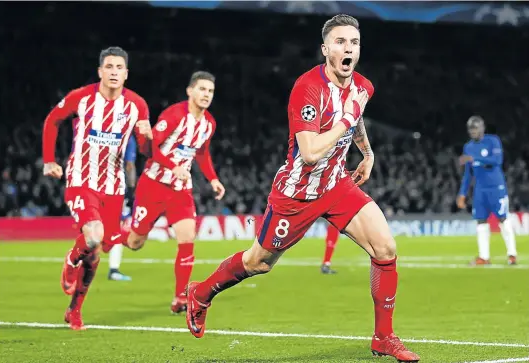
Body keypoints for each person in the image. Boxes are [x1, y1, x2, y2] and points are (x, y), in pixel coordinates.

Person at [184, 15, 420, 363]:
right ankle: (202, 293)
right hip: (298, 191)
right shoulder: (307, 88)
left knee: (385, 247)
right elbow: (309, 153)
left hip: (337, 184)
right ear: (325, 49)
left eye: (353, 42)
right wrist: (346, 118)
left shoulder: (363, 88)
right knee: (258, 262)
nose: (348, 48)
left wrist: (367, 152)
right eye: (339, 42)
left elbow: (355, 119)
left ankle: (383, 337)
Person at [42, 46, 152, 330]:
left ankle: (74, 310)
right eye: (109, 67)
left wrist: (147, 139)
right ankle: (70, 260)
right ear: (100, 71)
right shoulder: (81, 97)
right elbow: (52, 120)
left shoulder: (137, 105)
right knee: (93, 237)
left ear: (126, 74)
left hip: (113, 187)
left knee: (97, 251)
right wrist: (49, 160)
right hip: (81, 179)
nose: (114, 72)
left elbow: (143, 149)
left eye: (119, 68)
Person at [105, 71, 226, 314]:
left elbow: (201, 153)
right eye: (202, 89)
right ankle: (107, 235)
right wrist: (173, 166)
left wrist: (213, 179)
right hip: (153, 186)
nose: (206, 95)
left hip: (181, 190)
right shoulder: (174, 115)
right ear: (189, 91)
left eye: (210, 91)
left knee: (187, 239)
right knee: (135, 242)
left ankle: (180, 298)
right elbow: (151, 148)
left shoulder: (209, 123)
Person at [457, 116, 517, 266]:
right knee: (481, 221)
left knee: (503, 218)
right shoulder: (468, 147)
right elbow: (467, 174)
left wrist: (474, 158)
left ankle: (512, 255)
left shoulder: (493, 141)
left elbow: (497, 160)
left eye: (475, 128)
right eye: (470, 129)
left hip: (496, 187)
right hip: (480, 190)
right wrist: (462, 193)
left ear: (482, 128)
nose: (473, 131)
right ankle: (484, 257)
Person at [106, 134, 137, 281]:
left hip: (93, 183)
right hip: (117, 186)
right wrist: (131, 190)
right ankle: (114, 269)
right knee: (117, 227)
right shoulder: (127, 138)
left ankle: (78, 262)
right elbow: (129, 165)